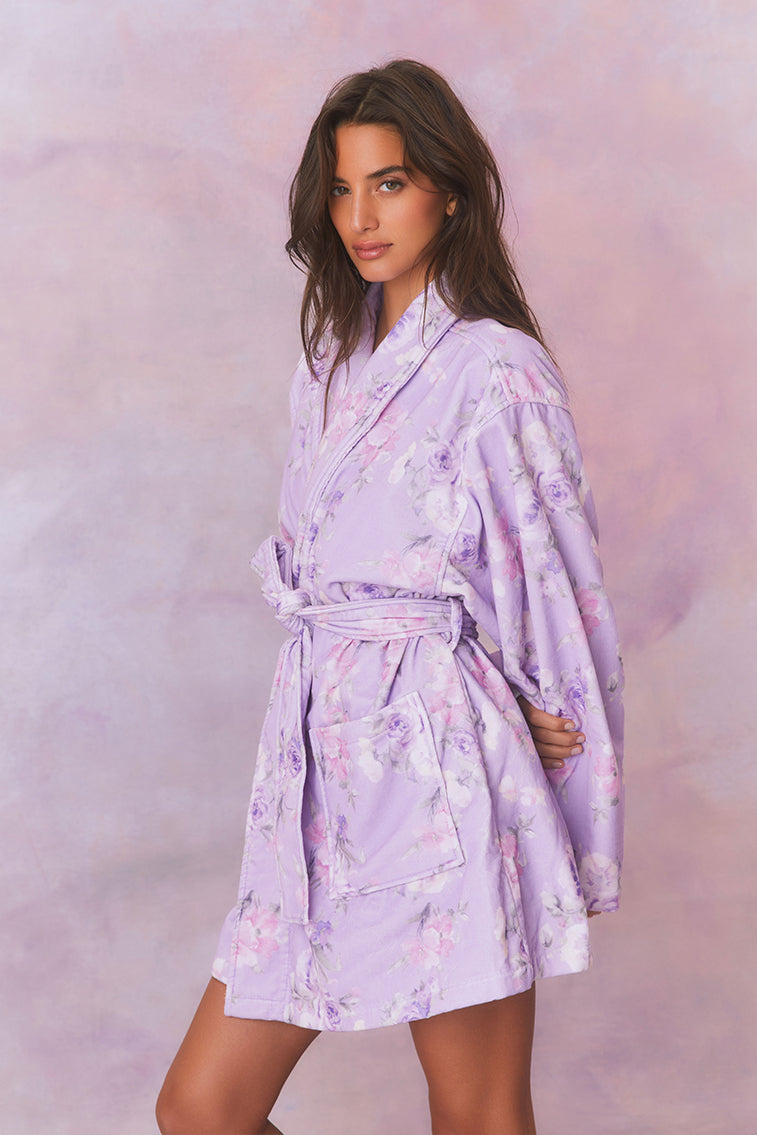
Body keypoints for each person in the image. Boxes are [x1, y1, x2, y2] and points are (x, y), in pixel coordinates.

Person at [156, 59, 624, 1135]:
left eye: (391, 183)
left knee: (476, 1115)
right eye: (342, 187)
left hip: (441, 763)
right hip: (317, 775)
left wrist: (543, 727)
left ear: (448, 193)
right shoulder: (329, 363)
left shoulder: (495, 369)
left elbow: (554, 577)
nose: (361, 216)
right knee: (202, 1107)